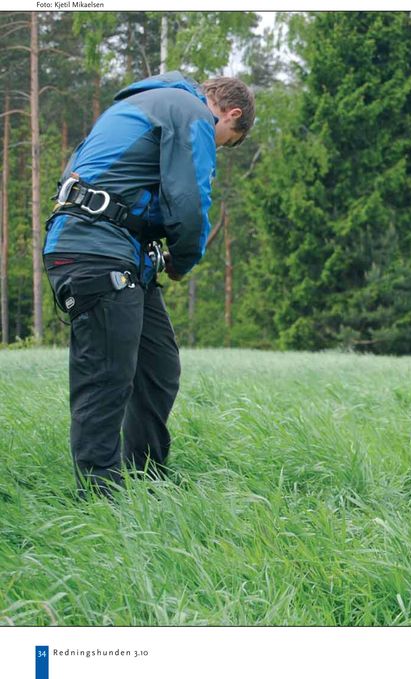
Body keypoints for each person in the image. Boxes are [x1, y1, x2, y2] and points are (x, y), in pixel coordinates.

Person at [43, 71, 255, 495]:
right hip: (94, 252)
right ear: (230, 114)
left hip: (113, 252)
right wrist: (182, 261)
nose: (216, 148)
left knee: (158, 367)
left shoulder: (141, 106)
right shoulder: (191, 113)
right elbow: (190, 203)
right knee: (107, 377)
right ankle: (100, 501)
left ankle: (147, 482)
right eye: (226, 140)